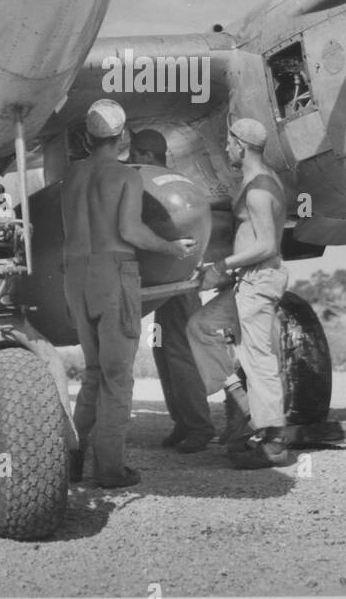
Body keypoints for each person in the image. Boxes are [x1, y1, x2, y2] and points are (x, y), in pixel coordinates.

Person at [61, 100, 197, 488]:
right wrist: (174, 249)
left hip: (75, 275)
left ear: (88, 138)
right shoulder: (126, 177)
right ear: (121, 137)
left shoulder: (70, 178)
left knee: (93, 372)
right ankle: (110, 469)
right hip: (112, 273)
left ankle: (71, 455)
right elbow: (131, 232)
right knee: (117, 377)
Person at [187, 117, 290, 469]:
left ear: (242, 146)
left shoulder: (260, 189)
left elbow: (266, 245)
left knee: (259, 358)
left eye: (230, 143)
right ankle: (244, 406)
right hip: (248, 279)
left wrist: (222, 265)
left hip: (258, 280)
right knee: (200, 327)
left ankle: (275, 443)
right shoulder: (258, 181)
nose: (226, 148)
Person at [128, 128, 214, 453]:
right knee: (163, 350)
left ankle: (198, 425)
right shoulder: (175, 181)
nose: (130, 161)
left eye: (135, 154)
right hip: (169, 282)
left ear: (147, 156)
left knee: (179, 351)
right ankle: (182, 419)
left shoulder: (155, 184)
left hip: (177, 284)